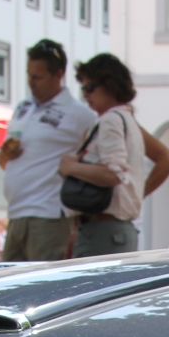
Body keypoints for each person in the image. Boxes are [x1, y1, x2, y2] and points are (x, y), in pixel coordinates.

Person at [0, 40, 96, 261]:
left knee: (42, 286)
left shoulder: (79, 114)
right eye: (29, 75)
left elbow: (99, 156)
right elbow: (4, 161)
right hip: (16, 211)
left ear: (58, 74)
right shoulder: (23, 107)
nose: (32, 83)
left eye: (38, 77)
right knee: (10, 286)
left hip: (49, 214)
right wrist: (6, 154)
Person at [59, 53, 145, 258]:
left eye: (90, 87)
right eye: (83, 89)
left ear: (110, 84)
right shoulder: (126, 119)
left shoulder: (110, 120)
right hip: (112, 232)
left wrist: (69, 166)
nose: (86, 95)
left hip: (103, 231)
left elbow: (113, 174)